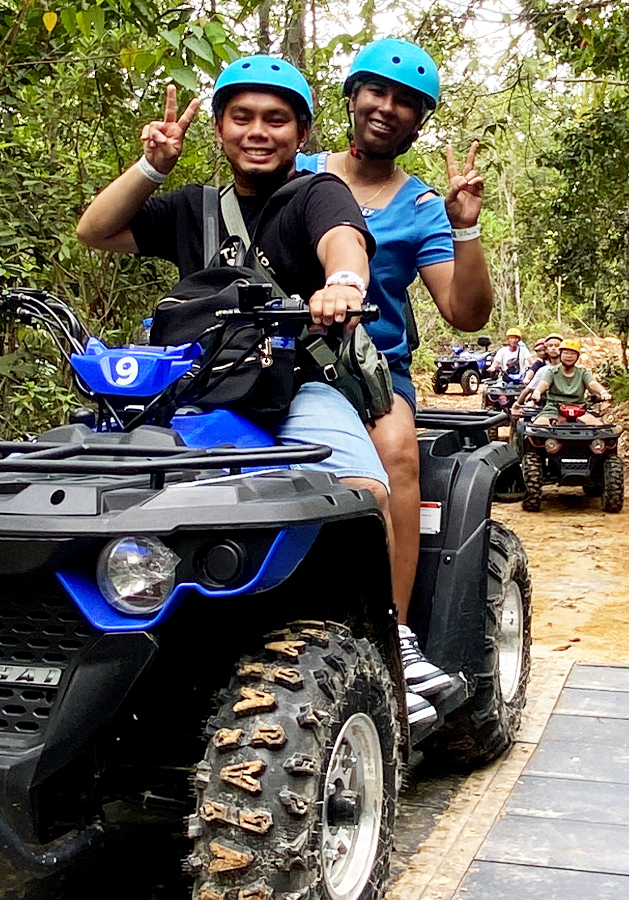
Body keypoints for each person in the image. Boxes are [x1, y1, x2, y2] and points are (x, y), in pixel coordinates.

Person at [75, 59, 438, 729]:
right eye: (242, 118)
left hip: (301, 384)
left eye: (276, 120)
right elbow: (95, 232)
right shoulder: (192, 210)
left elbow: (344, 242)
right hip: (200, 390)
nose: (258, 132)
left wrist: (345, 285)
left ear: (301, 132)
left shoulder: (317, 193)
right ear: (219, 128)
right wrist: (152, 166)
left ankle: (385, 644)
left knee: (365, 490)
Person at [294, 38, 492, 715]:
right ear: (351, 98)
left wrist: (464, 229)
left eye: (407, 102)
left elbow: (465, 313)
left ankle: (395, 634)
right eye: (377, 92)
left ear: (419, 121)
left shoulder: (422, 206)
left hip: (368, 372)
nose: (388, 108)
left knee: (396, 452)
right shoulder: (296, 170)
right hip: (270, 359)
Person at [525, 339, 614, 424]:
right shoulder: (552, 372)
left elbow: (592, 383)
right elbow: (544, 383)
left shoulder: (582, 372)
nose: (569, 356)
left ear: (577, 357)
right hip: (554, 408)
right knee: (539, 425)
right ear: (560, 354)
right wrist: (537, 392)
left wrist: (603, 392)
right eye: (566, 353)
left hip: (579, 408)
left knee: (599, 428)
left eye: (573, 353)